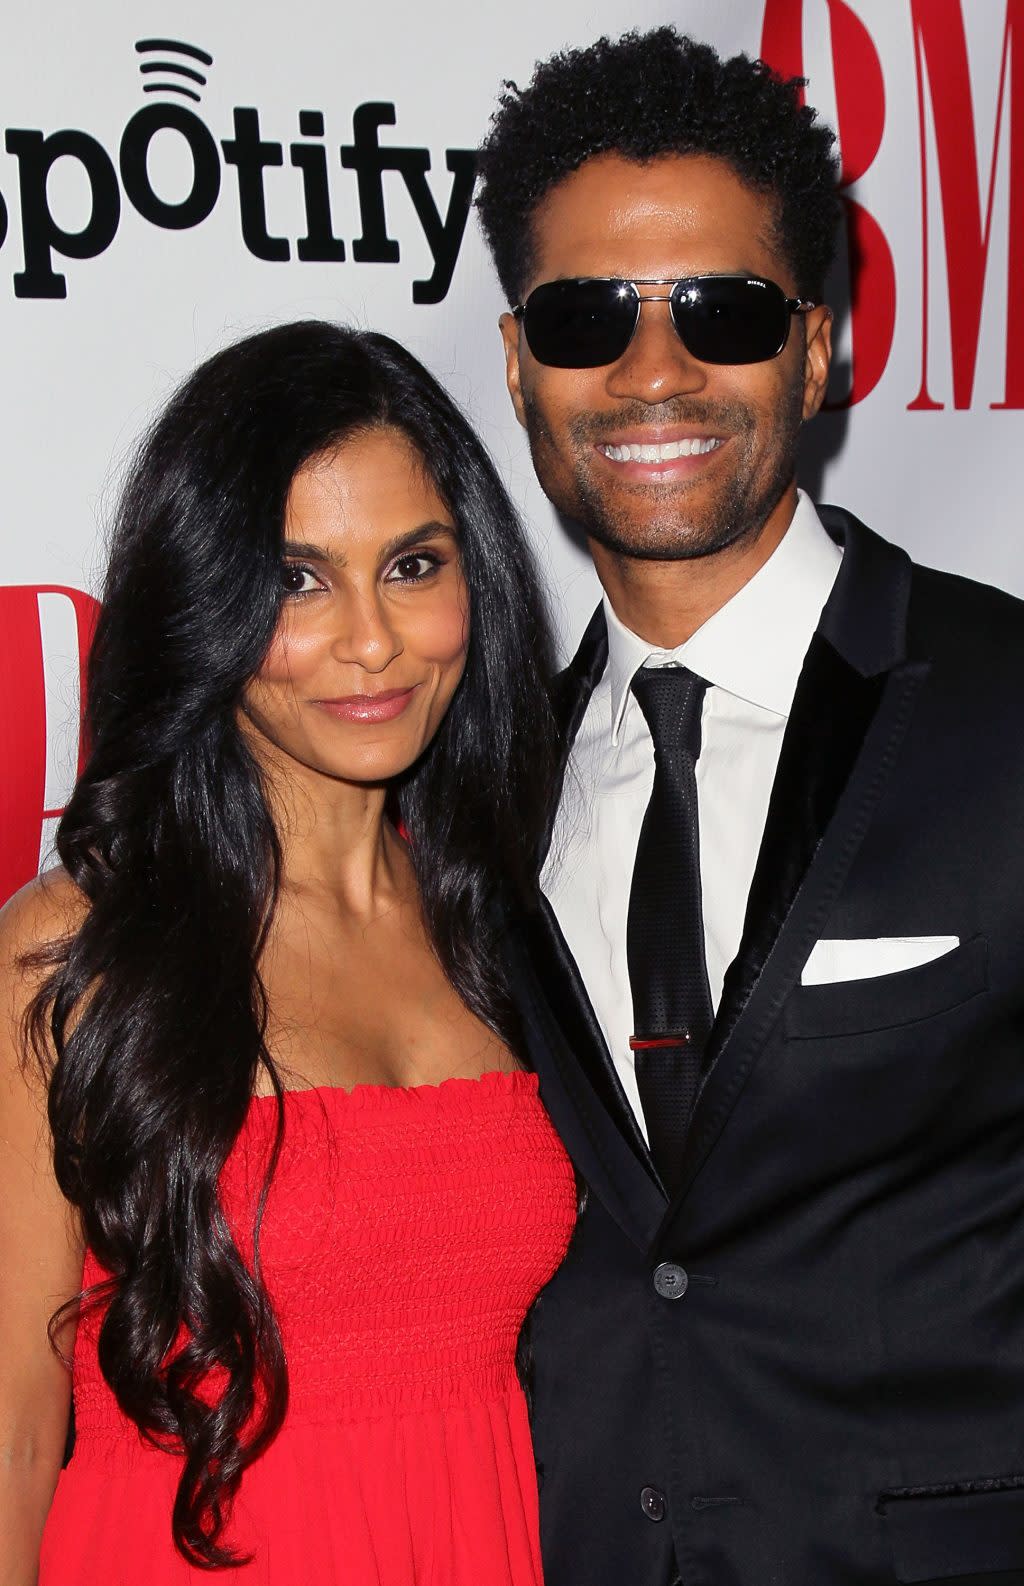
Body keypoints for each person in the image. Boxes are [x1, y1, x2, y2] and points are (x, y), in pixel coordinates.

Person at [476, 26, 1024, 1586]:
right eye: (590, 319)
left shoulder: (1002, 703)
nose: (653, 373)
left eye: (720, 311)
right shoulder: (468, 788)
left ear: (819, 346)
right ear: (520, 364)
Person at [0, 320, 576, 1584]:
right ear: (206, 603)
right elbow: (11, 1431)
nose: (371, 640)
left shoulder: (505, 921)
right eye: (298, 580)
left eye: (413, 564)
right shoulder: (75, 946)